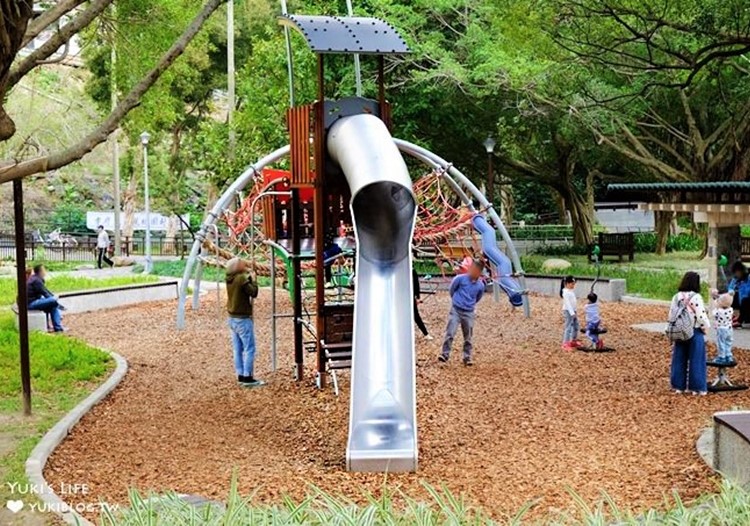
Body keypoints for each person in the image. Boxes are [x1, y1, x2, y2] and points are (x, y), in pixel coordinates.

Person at [669, 271, 710, 395]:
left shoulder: (676, 297)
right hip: (694, 330)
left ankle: (678, 386)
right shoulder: (696, 297)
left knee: (679, 358)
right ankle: (697, 387)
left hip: (680, 330)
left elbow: (671, 314)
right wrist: (705, 327)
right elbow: (701, 315)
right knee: (697, 359)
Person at [225, 257, 264, 388]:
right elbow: (254, 293)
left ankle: (240, 374)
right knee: (249, 348)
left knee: (237, 349)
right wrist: (254, 279)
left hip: (232, 318)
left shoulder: (229, 278)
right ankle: (248, 377)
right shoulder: (241, 278)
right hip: (242, 318)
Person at [439, 259, 485, 366]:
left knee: (468, 336)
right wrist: (457, 301)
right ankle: (445, 354)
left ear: (479, 272)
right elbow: (452, 290)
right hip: (456, 309)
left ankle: (467, 357)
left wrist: (470, 304)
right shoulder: (460, 279)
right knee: (450, 332)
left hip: (468, 312)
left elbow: (478, 297)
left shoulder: (480, 285)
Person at [27, 264, 65, 332]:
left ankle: (55, 327)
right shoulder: (36, 281)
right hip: (30, 303)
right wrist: (55, 300)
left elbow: (46, 291)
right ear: (40, 271)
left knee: (52, 304)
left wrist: (54, 300)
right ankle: (58, 327)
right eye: (44, 270)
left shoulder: (35, 278)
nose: (45, 271)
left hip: (29, 302)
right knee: (53, 301)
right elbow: (45, 293)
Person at [711, 289, 736, 365]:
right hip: (729, 329)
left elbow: (714, 312)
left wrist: (715, 299)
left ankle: (721, 357)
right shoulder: (731, 310)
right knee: (728, 342)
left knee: (721, 343)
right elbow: (723, 301)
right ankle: (729, 356)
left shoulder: (719, 311)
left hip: (721, 329)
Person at [728, 261, 750, 326]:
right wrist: (731, 291)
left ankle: (739, 321)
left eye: (737, 272)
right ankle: (738, 317)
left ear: (741, 271)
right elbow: (730, 287)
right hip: (741, 303)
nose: (736, 274)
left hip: (747, 301)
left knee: (745, 301)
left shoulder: (748, 278)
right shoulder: (735, 279)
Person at [560, 275, 579, 350]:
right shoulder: (565, 292)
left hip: (573, 311)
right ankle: (565, 343)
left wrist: (575, 311)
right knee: (568, 327)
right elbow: (567, 304)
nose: (573, 286)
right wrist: (572, 313)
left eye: (574, 284)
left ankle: (573, 340)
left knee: (576, 326)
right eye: (572, 284)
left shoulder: (571, 291)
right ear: (567, 283)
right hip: (568, 311)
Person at [413, 267, 432, 340]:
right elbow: (416, 284)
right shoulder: (410, 271)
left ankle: (426, 333)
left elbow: (416, 284)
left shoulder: (412, 271)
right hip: (404, 294)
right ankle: (426, 334)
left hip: (410, 295)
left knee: (416, 315)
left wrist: (417, 297)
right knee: (415, 316)